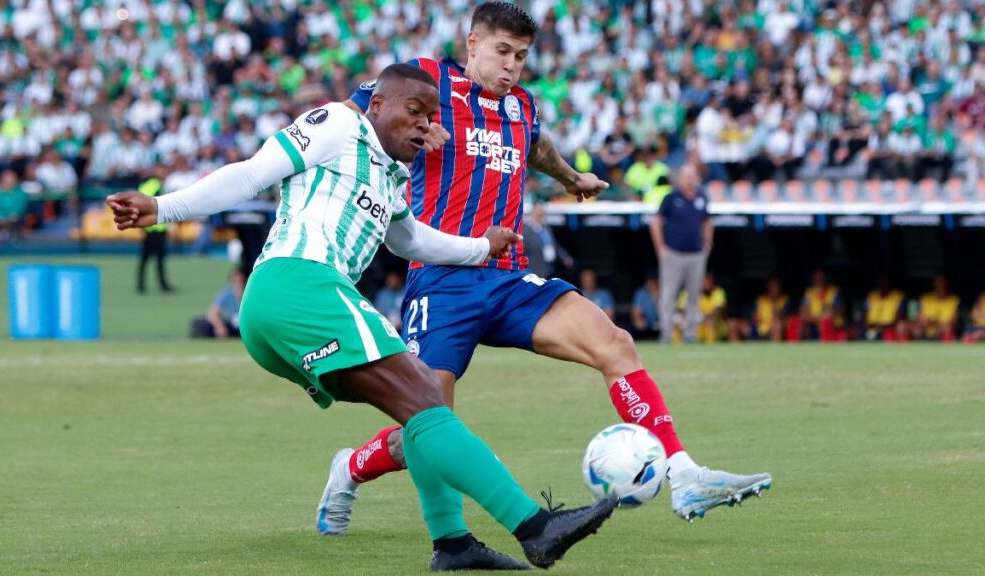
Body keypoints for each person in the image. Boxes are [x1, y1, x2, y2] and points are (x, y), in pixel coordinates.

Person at [106, 64, 617, 572]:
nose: (423, 126)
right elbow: (251, 173)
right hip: (297, 282)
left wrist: (480, 246)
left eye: (430, 117)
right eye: (412, 112)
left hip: (291, 306)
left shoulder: (392, 173)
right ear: (376, 105)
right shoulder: (335, 125)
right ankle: (534, 527)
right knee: (424, 399)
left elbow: (410, 240)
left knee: (420, 405)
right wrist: (161, 207)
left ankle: (454, 544)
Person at [329, 2, 770, 535]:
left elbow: (534, 146)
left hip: (511, 277)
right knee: (429, 424)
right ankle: (351, 468)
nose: (512, 65)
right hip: (443, 278)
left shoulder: (522, 105)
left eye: (521, 56)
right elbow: (354, 118)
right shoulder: (427, 82)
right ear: (472, 45)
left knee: (616, 344)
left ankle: (684, 474)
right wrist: (406, 128)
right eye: (501, 51)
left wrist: (569, 177)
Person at [651, 163, 713, 344]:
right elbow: (656, 222)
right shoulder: (671, 198)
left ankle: (690, 334)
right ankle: (666, 334)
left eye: (692, 175)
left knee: (694, 296)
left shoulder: (702, 197)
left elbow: (707, 221)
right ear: (680, 177)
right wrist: (660, 248)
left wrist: (707, 244)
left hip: (696, 255)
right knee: (669, 295)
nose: (689, 179)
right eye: (686, 175)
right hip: (673, 254)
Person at [136, 176, 175, 294]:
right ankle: (163, 285)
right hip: (159, 228)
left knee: (145, 258)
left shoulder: (141, 188)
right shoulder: (157, 185)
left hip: (148, 229)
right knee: (159, 259)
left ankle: (140, 285)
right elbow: (162, 205)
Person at [190, 267, 246, 339]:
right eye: (236, 280)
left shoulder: (249, 293)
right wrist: (220, 326)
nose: (239, 282)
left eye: (241, 280)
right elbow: (212, 313)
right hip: (231, 327)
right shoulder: (226, 294)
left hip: (245, 326)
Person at [521, 203, 572, 279]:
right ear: (532, 215)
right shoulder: (526, 232)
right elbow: (522, 251)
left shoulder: (547, 229)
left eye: (543, 214)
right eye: (539, 215)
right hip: (536, 271)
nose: (542, 217)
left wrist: (565, 257)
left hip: (551, 268)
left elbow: (555, 246)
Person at [799, 269, 842, 341]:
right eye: (817, 279)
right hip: (813, 327)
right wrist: (819, 318)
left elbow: (834, 311)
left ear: (825, 279)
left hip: (832, 327)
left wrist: (821, 316)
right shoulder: (809, 293)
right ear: (813, 280)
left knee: (827, 319)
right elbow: (803, 313)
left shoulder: (834, 291)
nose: (819, 281)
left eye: (821, 279)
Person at [915, 274, 960, 341]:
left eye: (942, 283)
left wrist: (935, 324)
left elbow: (953, 321)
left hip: (944, 330)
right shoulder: (925, 298)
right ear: (934, 284)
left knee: (947, 328)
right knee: (915, 328)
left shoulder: (955, 300)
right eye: (938, 283)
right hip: (926, 329)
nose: (940, 285)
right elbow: (920, 320)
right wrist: (935, 323)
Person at [630, 276, 660, 340]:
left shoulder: (666, 292)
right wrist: (640, 319)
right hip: (648, 323)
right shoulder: (641, 293)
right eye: (649, 281)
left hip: (664, 322)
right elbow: (636, 313)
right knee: (639, 324)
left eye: (654, 281)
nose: (651, 284)